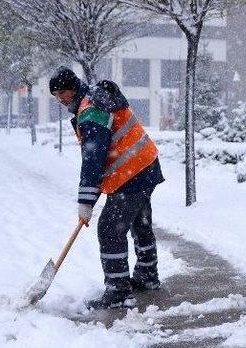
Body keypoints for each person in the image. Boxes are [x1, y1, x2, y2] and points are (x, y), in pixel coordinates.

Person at [49, 66, 165, 309]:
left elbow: (93, 159)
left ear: (72, 88)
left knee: (110, 230)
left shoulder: (90, 110)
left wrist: (85, 202)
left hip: (132, 174)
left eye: (61, 93)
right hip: (145, 166)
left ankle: (119, 292)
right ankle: (147, 276)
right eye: (55, 95)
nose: (59, 99)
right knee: (140, 223)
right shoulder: (95, 98)